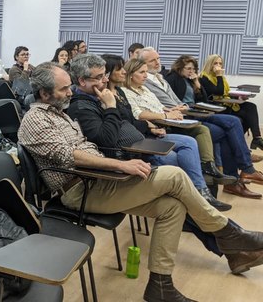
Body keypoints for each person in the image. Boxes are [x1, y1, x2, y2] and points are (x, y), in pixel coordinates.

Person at [18, 62, 263, 302]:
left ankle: (160, 286)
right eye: (63, 89)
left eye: (69, 86)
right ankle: (229, 233)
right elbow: (69, 155)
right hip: (80, 190)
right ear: (43, 93)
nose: (70, 92)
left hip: (98, 180)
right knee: (175, 176)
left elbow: (91, 145)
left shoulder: (59, 113)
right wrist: (120, 165)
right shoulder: (35, 119)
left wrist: (119, 165)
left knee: (172, 207)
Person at [67, 54, 231, 210]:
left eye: (105, 75)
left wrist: (114, 106)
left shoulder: (103, 96)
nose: (105, 79)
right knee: (180, 164)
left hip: (141, 143)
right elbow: (106, 139)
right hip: (130, 154)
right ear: (82, 81)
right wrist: (111, 107)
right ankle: (200, 201)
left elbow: (127, 119)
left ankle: (201, 195)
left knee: (191, 147)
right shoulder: (82, 106)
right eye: (99, 77)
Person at [137, 48, 262, 187]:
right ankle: (240, 174)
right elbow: (155, 106)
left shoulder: (162, 79)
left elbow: (189, 98)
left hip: (190, 110)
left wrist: (188, 97)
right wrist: (175, 109)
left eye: (158, 58)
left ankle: (241, 172)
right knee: (228, 128)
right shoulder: (164, 79)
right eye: (152, 60)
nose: (157, 62)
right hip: (179, 117)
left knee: (236, 120)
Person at [120, 58, 238, 186]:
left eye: (146, 72)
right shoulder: (126, 92)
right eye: (142, 72)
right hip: (154, 128)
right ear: (131, 74)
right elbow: (138, 114)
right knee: (216, 132)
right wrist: (166, 114)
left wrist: (173, 108)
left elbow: (162, 104)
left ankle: (208, 168)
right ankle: (202, 184)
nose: (145, 75)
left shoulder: (145, 88)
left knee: (210, 129)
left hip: (168, 121)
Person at [167, 55, 263, 199]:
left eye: (193, 69)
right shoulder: (173, 79)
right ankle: (242, 171)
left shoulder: (191, 80)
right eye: (188, 68)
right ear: (179, 67)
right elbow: (215, 93)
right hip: (188, 115)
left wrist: (198, 86)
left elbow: (204, 100)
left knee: (235, 121)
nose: (191, 71)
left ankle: (241, 172)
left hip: (200, 111)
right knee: (230, 126)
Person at [200, 54, 263, 150]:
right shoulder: (204, 78)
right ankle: (240, 148)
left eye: (220, 64)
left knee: (250, 107)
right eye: (215, 63)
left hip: (226, 104)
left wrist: (239, 97)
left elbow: (225, 93)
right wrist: (219, 76)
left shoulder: (222, 78)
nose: (218, 66)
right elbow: (219, 92)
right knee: (244, 117)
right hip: (216, 107)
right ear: (209, 64)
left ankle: (256, 138)